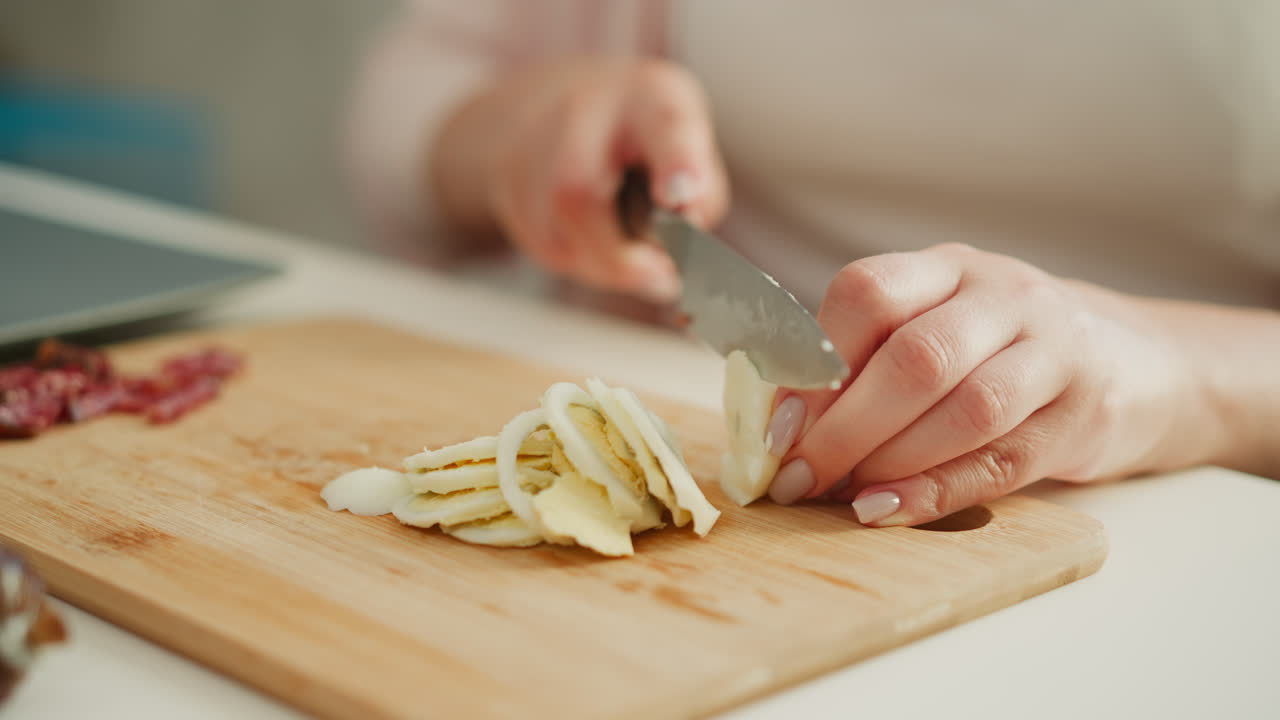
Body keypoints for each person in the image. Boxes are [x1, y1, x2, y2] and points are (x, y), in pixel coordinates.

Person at [347, 1, 1280, 528]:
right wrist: (515, 133)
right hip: (700, 418)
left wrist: (1186, 375)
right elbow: (412, 88)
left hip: (1199, 524)